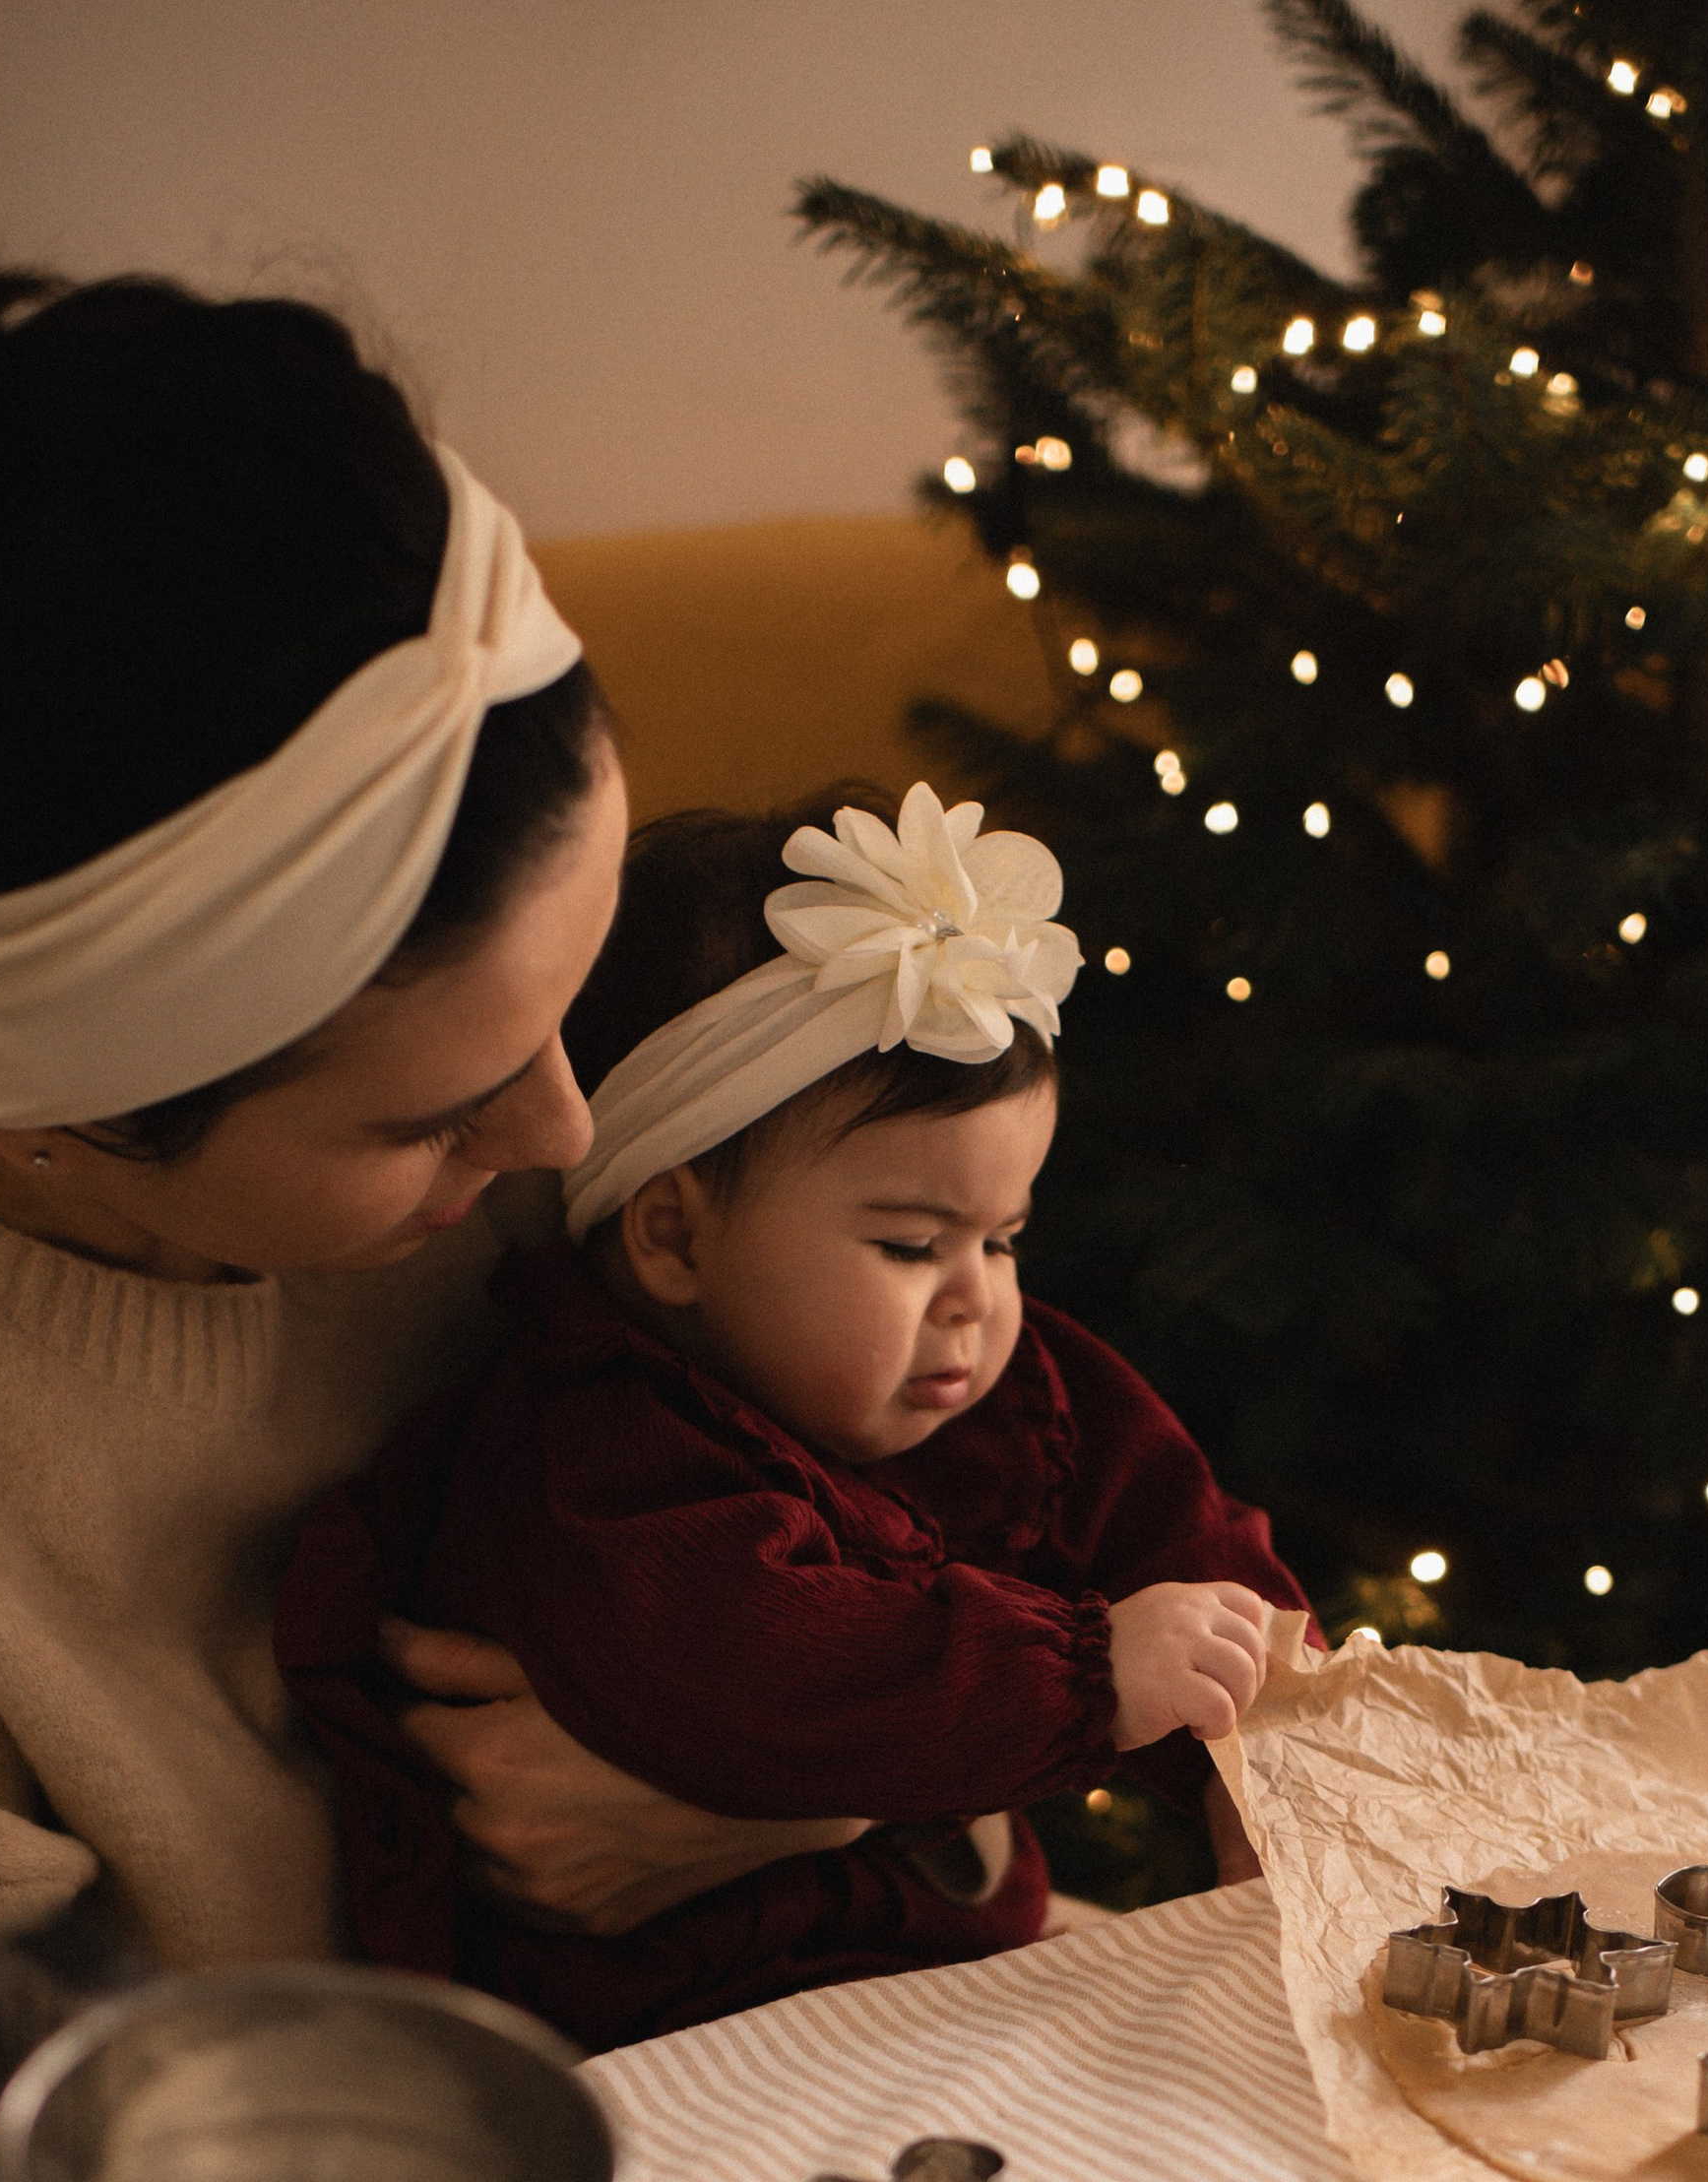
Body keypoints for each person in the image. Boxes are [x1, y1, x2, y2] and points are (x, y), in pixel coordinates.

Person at [0, 112, 849, 2182]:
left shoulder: (566, 1126)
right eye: (435, 1118)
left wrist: (795, 1787)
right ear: (55, 1122)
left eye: (572, 1001)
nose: (573, 1143)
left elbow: (981, 1524)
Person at [276, 786, 1312, 2047]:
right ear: (674, 1234)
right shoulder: (603, 1451)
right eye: (908, 1243)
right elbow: (767, 1674)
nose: (975, 1300)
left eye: (1005, 1235)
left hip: (941, 1970)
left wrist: (1255, 1758)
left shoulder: (1007, 1381)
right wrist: (1091, 1675)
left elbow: (1173, 1529)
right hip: (677, 2033)